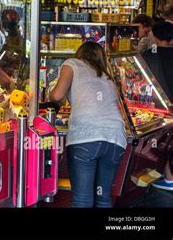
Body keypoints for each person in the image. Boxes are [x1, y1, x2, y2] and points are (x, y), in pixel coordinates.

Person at [49, 42, 126, 207]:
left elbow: (56, 96)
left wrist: (50, 93)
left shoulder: (72, 63)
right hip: (115, 139)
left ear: (80, 53)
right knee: (103, 196)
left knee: (83, 198)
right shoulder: (108, 76)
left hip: (85, 136)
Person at [141, 20, 173, 191]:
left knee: (164, 143)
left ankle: (168, 177)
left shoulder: (148, 55)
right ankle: (169, 178)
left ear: (154, 35)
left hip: (160, 108)